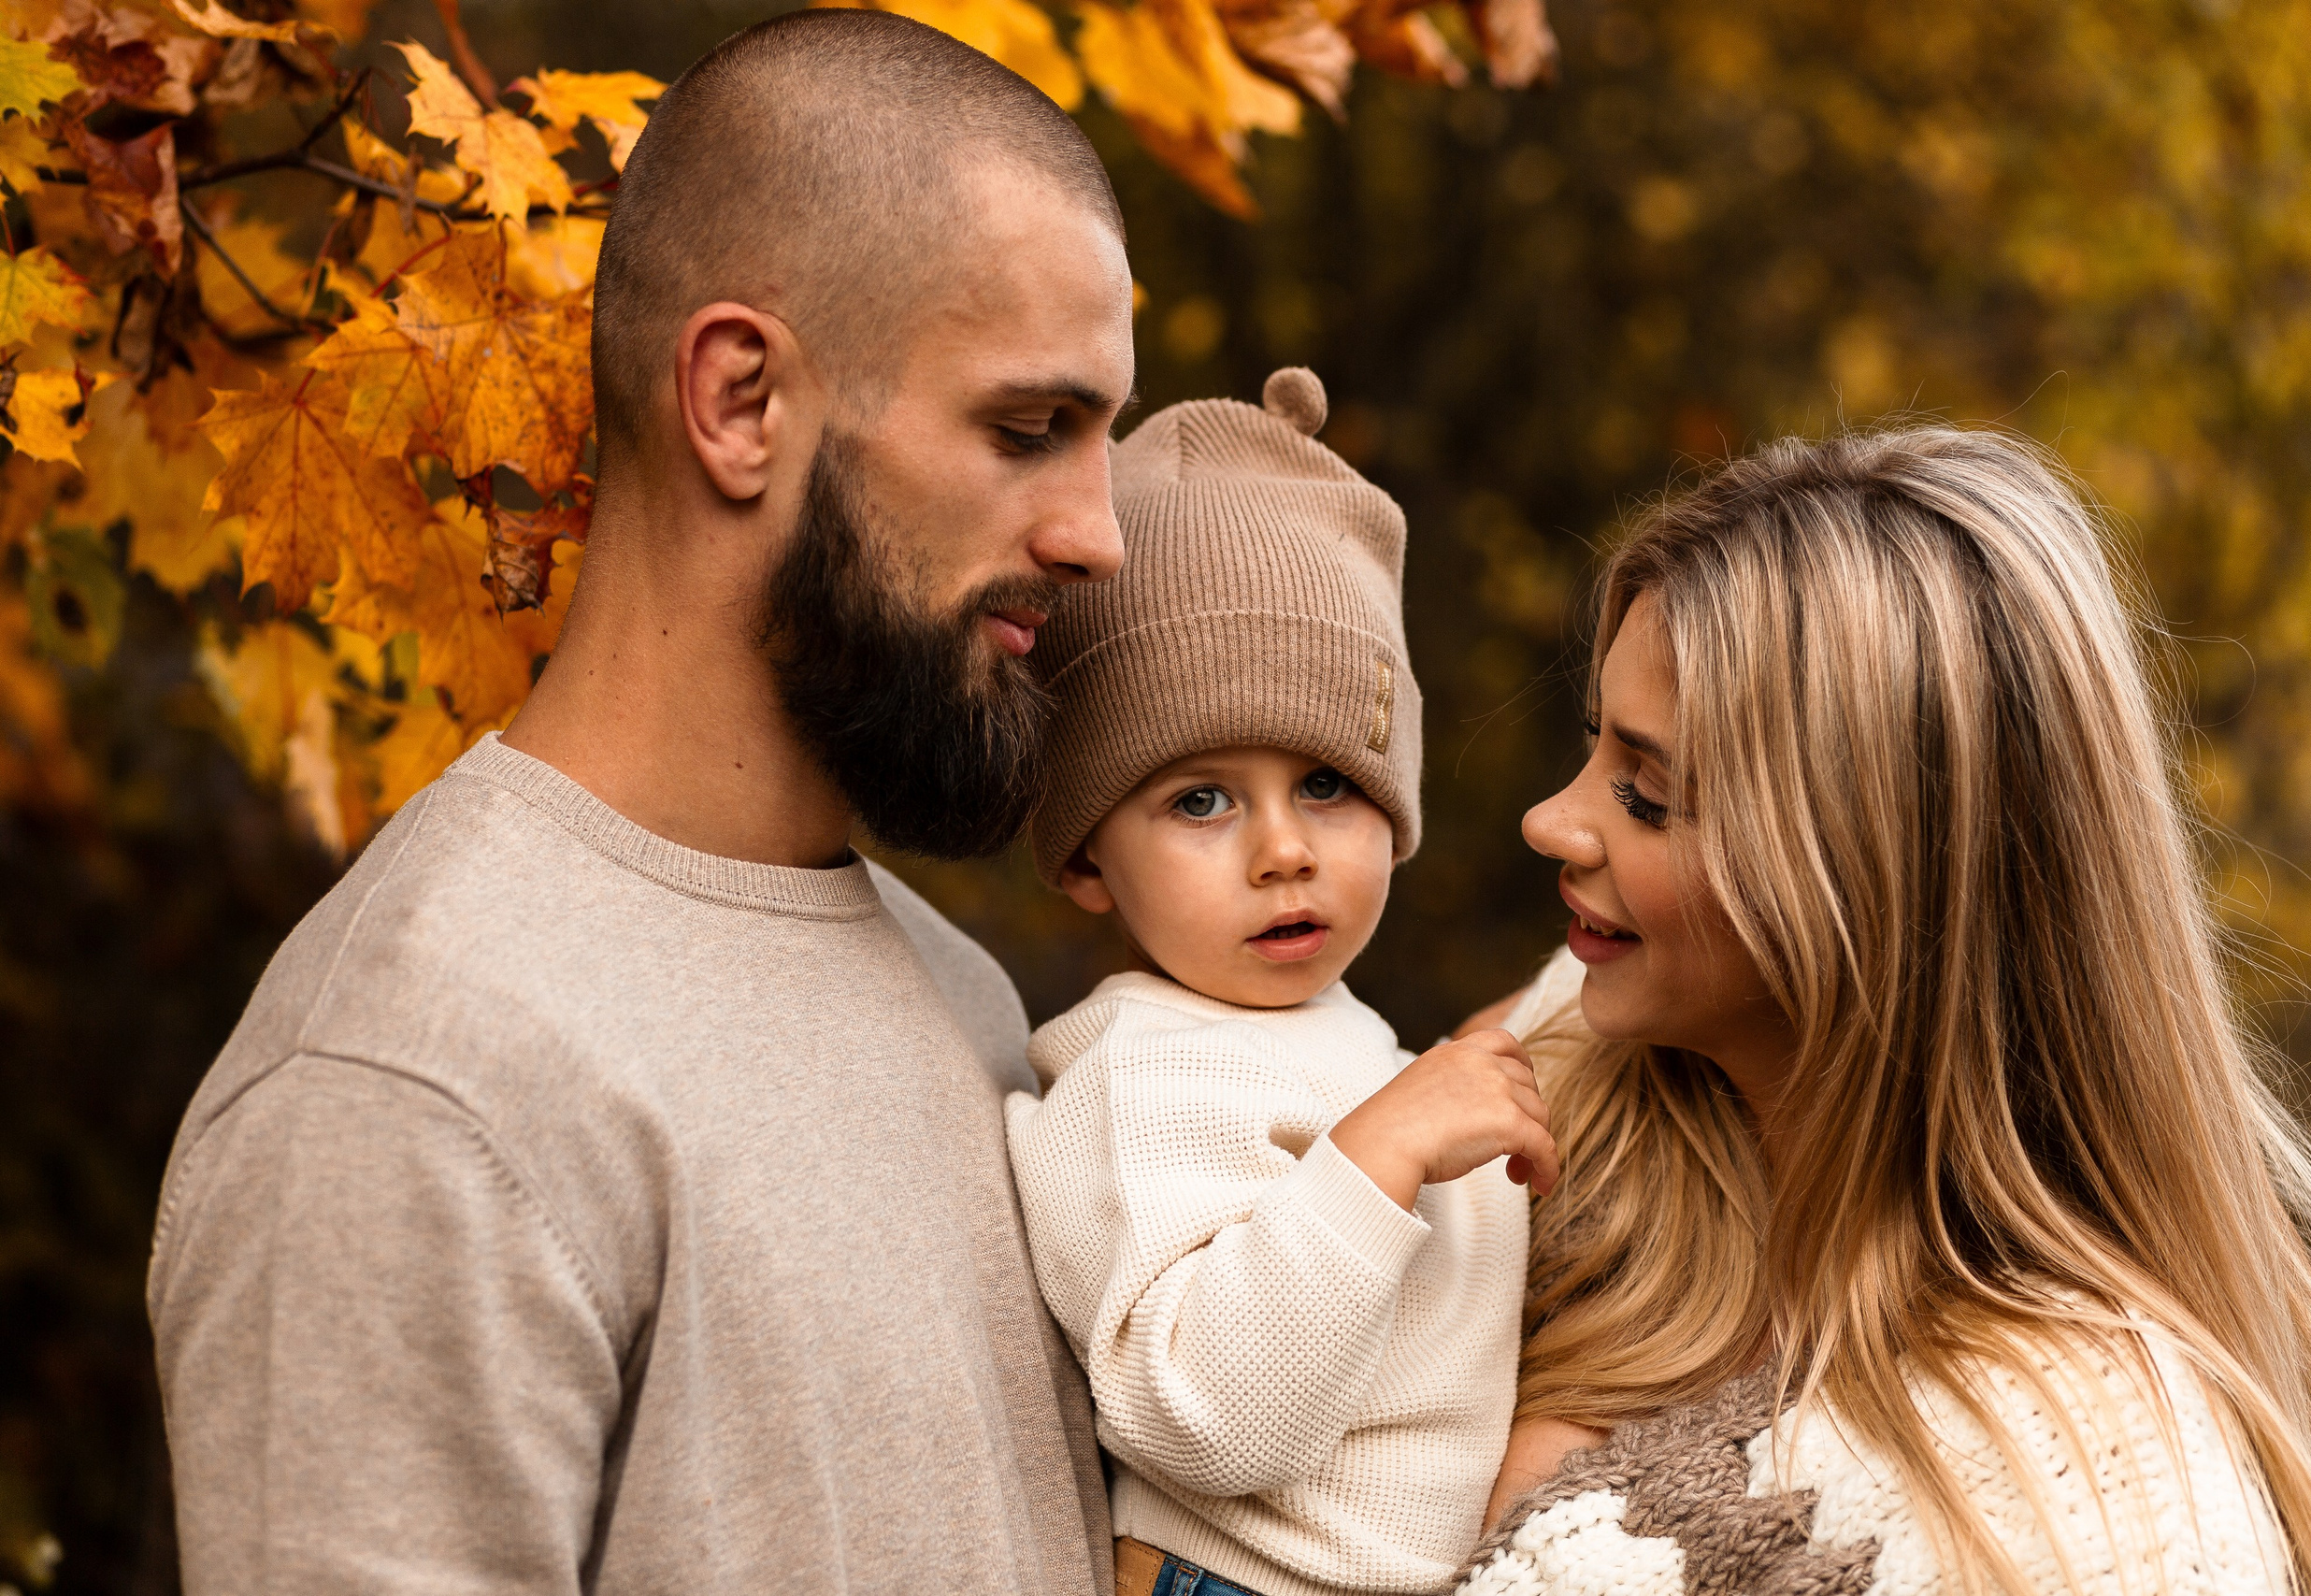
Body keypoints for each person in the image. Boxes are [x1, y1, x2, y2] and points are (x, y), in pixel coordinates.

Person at [145, 11, 1135, 1594]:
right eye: (1029, 430)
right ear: (740, 401)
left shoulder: (963, 1001)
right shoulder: (415, 1082)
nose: (1100, 533)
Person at [1460, 427, 2311, 1596]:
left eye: (1647, 794)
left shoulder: (2093, 1486)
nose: (1551, 819)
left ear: (1872, 882)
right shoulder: (1549, 1093)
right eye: (1593, 744)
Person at [1004, 369, 1559, 1596]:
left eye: (1325, 783)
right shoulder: (1139, 1079)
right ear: (1087, 856)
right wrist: (1382, 1153)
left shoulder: (1348, 1048)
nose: (1283, 849)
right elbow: (1205, 1415)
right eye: (1200, 799)